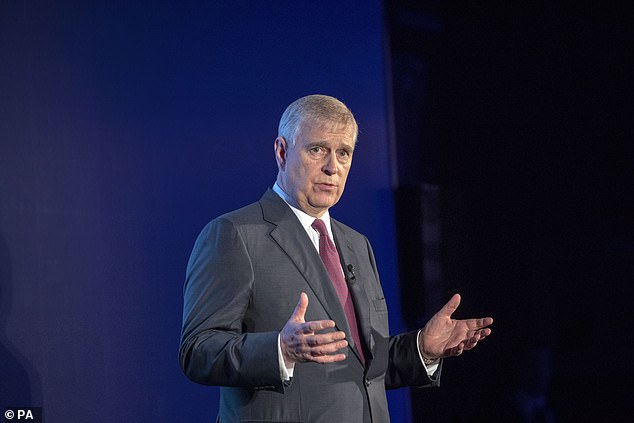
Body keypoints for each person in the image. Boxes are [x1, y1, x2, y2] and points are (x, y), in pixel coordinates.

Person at [179, 94, 493, 423]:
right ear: (282, 152)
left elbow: (363, 366)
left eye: (343, 153)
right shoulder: (235, 234)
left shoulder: (357, 244)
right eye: (317, 150)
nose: (332, 166)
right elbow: (198, 351)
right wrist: (280, 350)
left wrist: (421, 348)